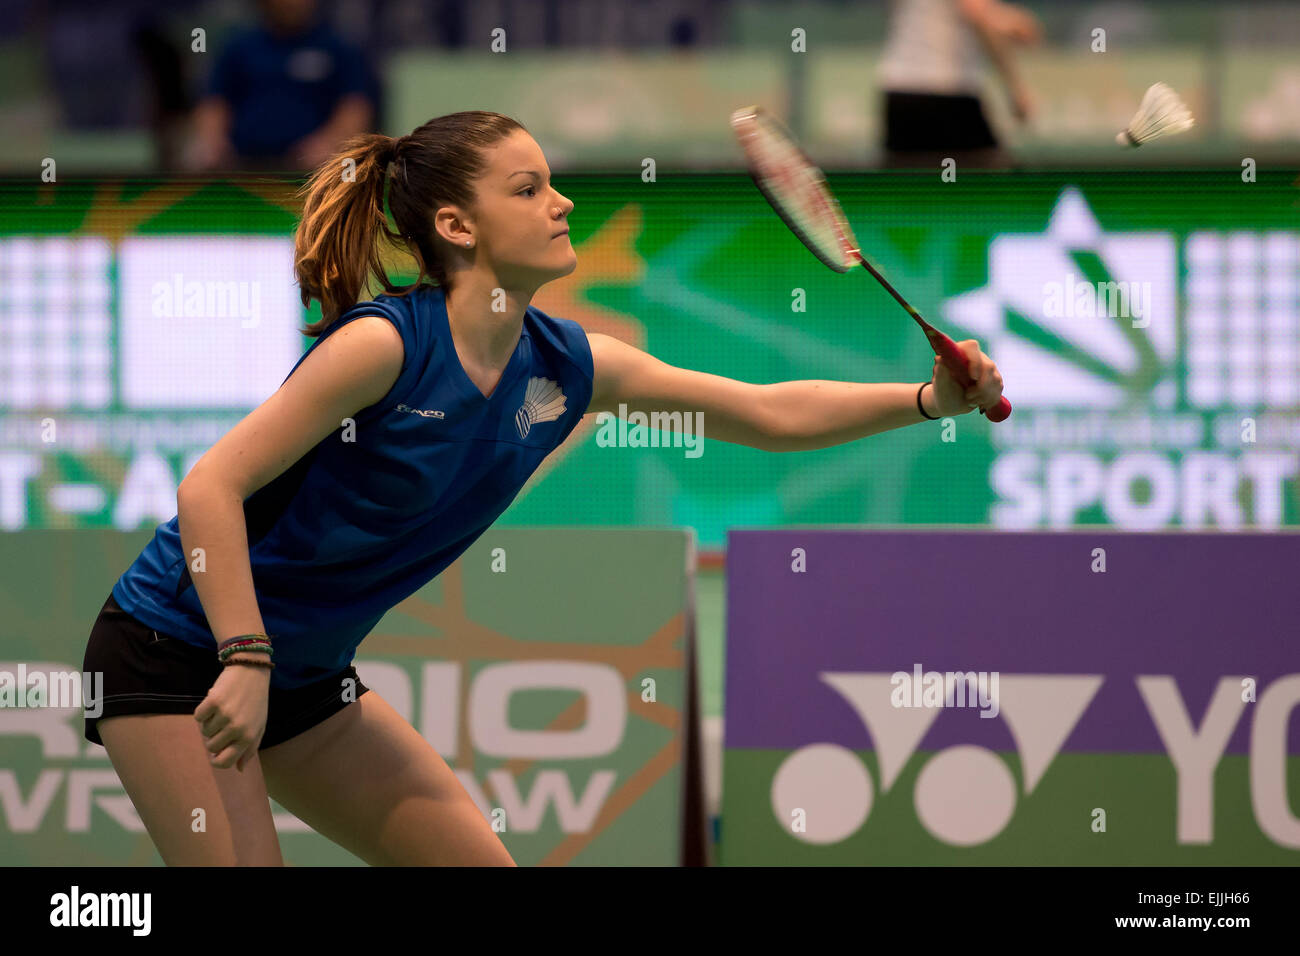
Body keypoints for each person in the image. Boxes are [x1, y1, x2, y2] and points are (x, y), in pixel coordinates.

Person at [82, 110, 1004, 866]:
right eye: (527, 189)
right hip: (181, 652)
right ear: (457, 226)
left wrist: (929, 399)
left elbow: (768, 414)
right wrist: (244, 656)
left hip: (306, 679)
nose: (561, 203)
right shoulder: (386, 348)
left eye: (552, 182)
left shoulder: (572, 365)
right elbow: (211, 487)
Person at [183, 0, 377, 171]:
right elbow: (214, 103)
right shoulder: (237, 46)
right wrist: (212, 141)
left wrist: (330, 143)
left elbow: (355, 109)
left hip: (313, 171)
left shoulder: (339, 48)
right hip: (242, 167)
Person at [877, 0, 1043, 168]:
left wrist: (1003, 20)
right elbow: (976, 13)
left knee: (912, 183)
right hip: (947, 88)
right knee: (989, 178)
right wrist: (1015, 87)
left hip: (899, 87)